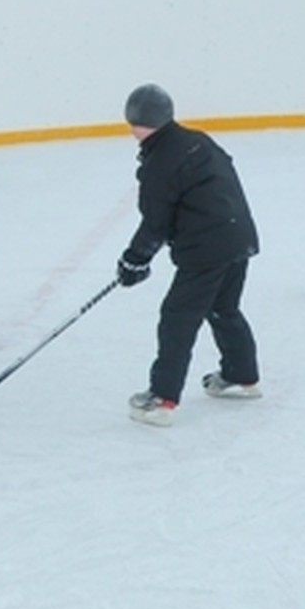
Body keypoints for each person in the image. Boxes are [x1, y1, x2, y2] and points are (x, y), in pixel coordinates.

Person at [116, 84, 261, 427]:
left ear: (135, 121)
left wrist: (134, 260)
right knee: (224, 308)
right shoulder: (197, 140)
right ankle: (241, 376)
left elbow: (155, 222)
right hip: (238, 237)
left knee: (177, 318)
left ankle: (163, 398)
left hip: (207, 249)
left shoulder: (160, 161)